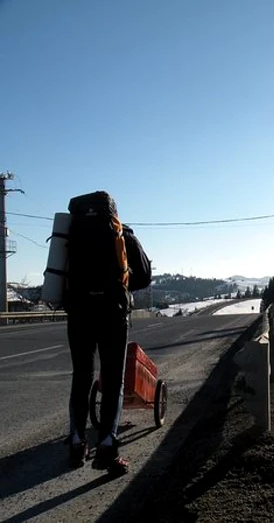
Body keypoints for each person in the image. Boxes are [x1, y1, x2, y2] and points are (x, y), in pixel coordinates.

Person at [64, 191, 133, 475]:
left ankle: (77, 444)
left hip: (79, 312)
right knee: (113, 379)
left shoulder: (72, 231)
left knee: (81, 375)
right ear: (113, 211)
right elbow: (139, 272)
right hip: (112, 312)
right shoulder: (118, 230)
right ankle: (107, 447)